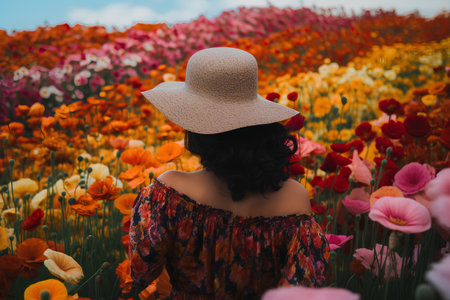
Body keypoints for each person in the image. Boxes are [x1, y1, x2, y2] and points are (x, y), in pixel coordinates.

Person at [129, 47, 330, 299]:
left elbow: (141, 273)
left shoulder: (168, 192)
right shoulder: (294, 197)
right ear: (260, 123)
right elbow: (305, 287)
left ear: (196, 128)